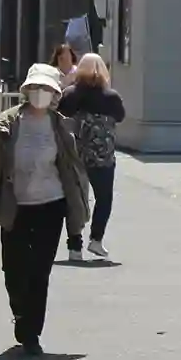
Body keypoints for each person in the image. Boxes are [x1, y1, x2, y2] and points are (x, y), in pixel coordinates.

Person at [0, 64, 91, 357]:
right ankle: (20, 313)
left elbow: (74, 171)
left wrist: (78, 214)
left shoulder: (61, 127)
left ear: (55, 94)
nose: (40, 94)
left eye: (46, 89)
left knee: (39, 271)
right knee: (13, 270)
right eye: (36, 88)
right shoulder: (7, 123)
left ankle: (31, 334)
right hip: (15, 206)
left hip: (51, 205)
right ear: (26, 90)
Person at [58, 53, 125, 260]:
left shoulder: (71, 94)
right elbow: (120, 116)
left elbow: (59, 115)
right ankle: (96, 239)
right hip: (102, 154)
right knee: (104, 198)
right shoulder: (111, 96)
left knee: (74, 198)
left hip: (75, 153)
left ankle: (74, 246)